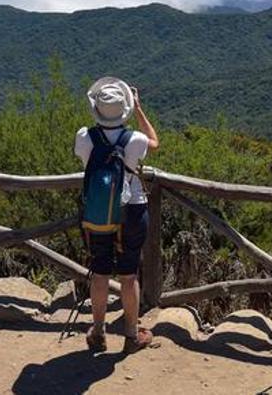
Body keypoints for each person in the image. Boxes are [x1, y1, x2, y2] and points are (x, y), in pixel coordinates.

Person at [75, 76, 159, 354]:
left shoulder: (84, 137)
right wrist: (138, 109)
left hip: (97, 212)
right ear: (124, 108)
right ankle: (131, 336)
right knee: (128, 276)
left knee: (99, 274)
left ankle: (98, 332)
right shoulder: (134, 139)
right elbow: (155, 142)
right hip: (132, 211)